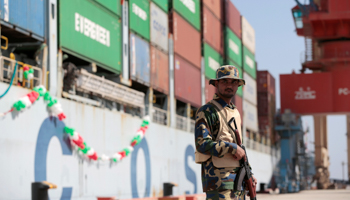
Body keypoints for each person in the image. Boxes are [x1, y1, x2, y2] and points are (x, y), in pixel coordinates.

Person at [194, 65, 257, 200]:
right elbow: (202, 144)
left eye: (234, 82)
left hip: (238, 184)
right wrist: (231, 148)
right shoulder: (207, 111)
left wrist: (249, 173)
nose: (230, 85)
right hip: (219, 183)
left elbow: (241, 149)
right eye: (225, 81)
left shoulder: (235, 112)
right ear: (216, 84)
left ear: (238, 85)